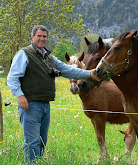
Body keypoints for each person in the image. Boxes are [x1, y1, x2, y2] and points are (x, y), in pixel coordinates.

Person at [7, 25, 99, 164]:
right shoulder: (24, 54)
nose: (42, 39)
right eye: (39, 36)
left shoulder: (49, 57)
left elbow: (68, 70)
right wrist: (20, 96)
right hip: (30, 105)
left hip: (45, 105)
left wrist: (89, 73)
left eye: (44, 36)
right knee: (32, 143)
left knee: (42, 142)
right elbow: (12, 78)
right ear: (32, 37)